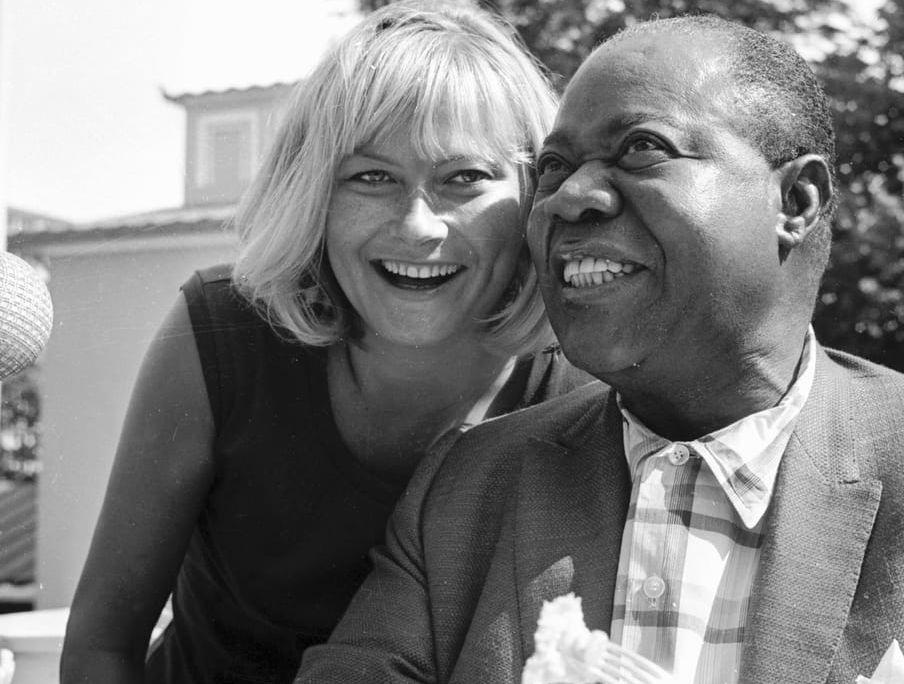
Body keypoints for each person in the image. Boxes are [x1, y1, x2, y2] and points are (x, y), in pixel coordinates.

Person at [293, 14, 904, 684]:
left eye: (641, 148)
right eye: (555, 167)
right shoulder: (465, 492)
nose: (570, 196)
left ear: (795, 200)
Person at [59, 3, 594, 683]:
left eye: (464, 178)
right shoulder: (221, 334)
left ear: (530, 194)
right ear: (314, 194)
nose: (417, 225)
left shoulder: (586, 385)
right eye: (371, 177)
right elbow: (102, 645)